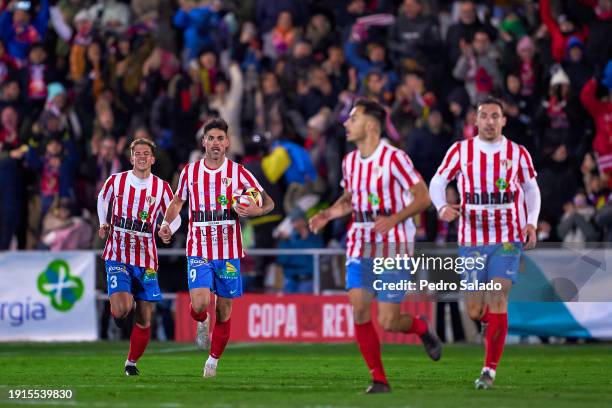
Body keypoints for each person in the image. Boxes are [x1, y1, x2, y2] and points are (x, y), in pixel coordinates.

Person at [308, 99, 441, 394]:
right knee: (358, 309)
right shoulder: (350, 161)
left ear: (370, 125)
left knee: (390, 321)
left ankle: (420, 327)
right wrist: (327, 214)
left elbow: (423, 198)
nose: (346, 123)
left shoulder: (395, 159)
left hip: (394, 243)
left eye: (353, 118)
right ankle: (379, 379)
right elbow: (350, 199)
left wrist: (394, 219)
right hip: (360, 240)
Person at [429, 97, 541, 389]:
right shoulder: (461, 151)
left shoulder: (517, 153)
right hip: (472, 240)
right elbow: (438, 182)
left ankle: (489, 371)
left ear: (504, 120)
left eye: (495, 116)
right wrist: (442, 207)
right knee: (475, 310)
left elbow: (531, 189)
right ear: (475, 121)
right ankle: (489, 324)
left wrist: (531, 221)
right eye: (484, 116)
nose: (490, 121)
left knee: (498, 295)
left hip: (507, 237)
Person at [159, 118, 275, 378]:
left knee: (223, 308)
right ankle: (201, 321)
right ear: (203, 142)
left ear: (227, 142)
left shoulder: (240, 173)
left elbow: (268, 203)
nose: (215, 143)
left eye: (220, 138)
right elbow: (178, 201)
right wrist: (167, 223)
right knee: (200, 304)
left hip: (229, 251)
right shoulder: (190, 172)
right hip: (199, 247)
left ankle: (213, 361)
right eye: (210, 138)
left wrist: (256, 210)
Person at [97, 138, 178, 376]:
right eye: (137, 153)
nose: (142, 157)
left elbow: (175, 215)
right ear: (131, 158)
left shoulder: (162, 187)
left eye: (146, 153)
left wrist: (167, 228)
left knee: (144, 316)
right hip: (118, 252)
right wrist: (103, 222)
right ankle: (119, 311)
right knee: (123, 308)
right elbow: (103, 199)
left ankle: (131, 363)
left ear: (152, 159)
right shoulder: (117, 180)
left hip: (146, 256)